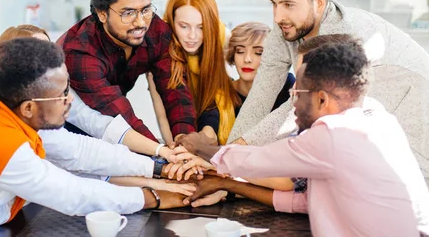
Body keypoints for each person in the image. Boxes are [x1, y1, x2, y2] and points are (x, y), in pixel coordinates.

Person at [0, 39, 188, 236]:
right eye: (60, 95)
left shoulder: (2, 105)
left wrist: (159, 166)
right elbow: (74, 195)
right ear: (29, 107)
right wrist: (152, 197)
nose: (69, 101)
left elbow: (79, 150)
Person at [173, 42, 429, 236]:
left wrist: (203, 148)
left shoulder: (333, 134)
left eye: (299, 89)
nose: (292, 96)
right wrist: (227, 184)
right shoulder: (379, 120)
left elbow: (257, 161)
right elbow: (305, 202)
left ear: (321, 99)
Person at [227, 0, 429, 176]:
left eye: (288, 5)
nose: (277, 16)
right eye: (274, 4)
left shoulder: (345, 34)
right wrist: (226, 155)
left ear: (319, 2)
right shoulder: (285, 29)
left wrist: (230, 157)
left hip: (416, 118)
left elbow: (301, 103)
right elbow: (260, 96)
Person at [0, 25, 176, 162]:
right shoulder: (1, 124)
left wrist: (159, 151)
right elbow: (78, 162)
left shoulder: (54, 94)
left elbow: (99, 126)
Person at [62, 0, 196, 142]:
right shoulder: (80, 52)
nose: (141, 22)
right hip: (70, 123)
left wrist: (184, 140)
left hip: (114, 116)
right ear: (102, 14)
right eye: (129, 13)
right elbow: (117, 111)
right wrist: (161, 153)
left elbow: (174, 87)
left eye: (146, 10)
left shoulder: (156, 30)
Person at [148, 0, 239, 146]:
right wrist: (175, 149)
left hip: (213, 120)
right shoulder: (159, 50)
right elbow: (162, 112)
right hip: (180, 126)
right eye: (184, 26)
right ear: (171, 22)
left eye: (201, 27)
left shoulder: (222, 36)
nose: (192, 36)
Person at [226, 22, 294, 113]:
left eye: (259, 53)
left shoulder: (286, 85)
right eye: (240, 51)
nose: (247, 59)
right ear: (232, 54)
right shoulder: (223, 93)